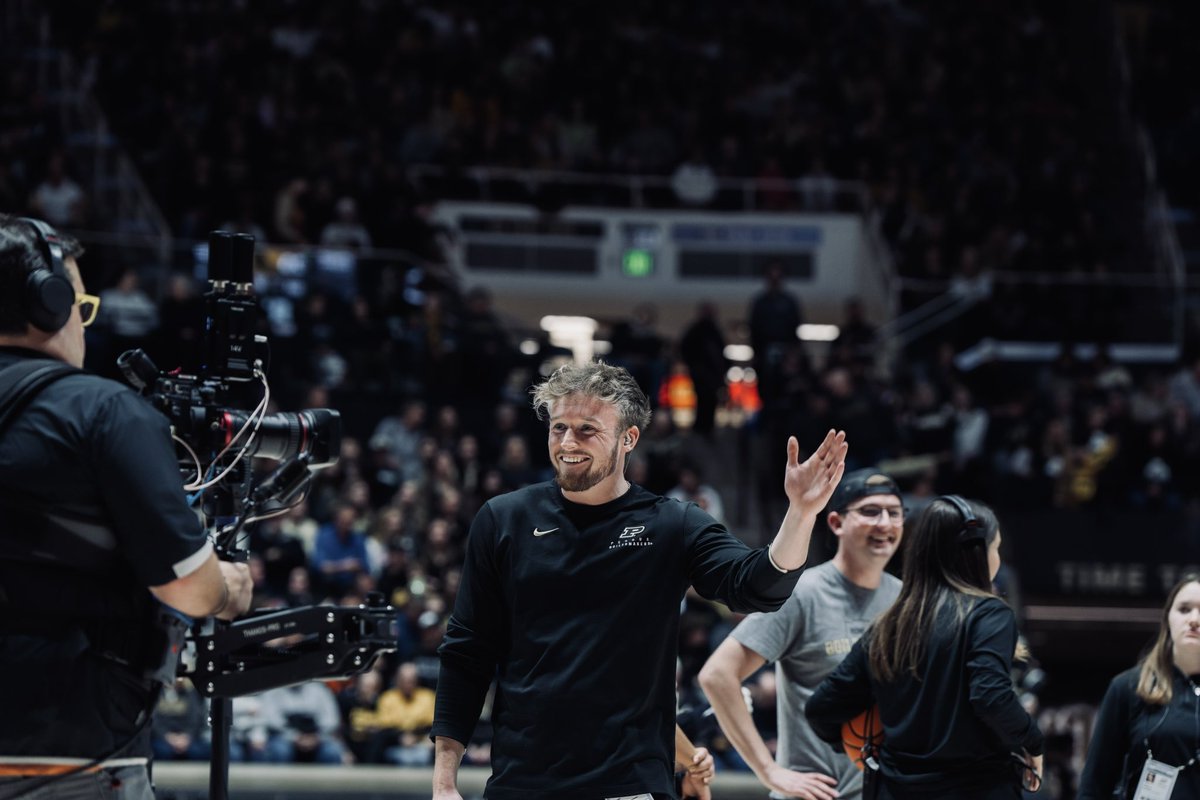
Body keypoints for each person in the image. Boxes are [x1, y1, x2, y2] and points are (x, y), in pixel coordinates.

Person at [431, 360, 848, 800]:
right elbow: (466, 652)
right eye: (559, 428)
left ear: (628, 439)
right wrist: (444, 785)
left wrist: (800, 514)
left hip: (629, 786)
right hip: (522, 781)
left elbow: (758, 588)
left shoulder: (672, 524)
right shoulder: (503, 519)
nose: (568, 442)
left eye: (587, 429)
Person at [0, 214, 253, 798]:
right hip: (68, 754)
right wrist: (230, 588)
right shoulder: (103, 412)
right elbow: (187, 589)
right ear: (50, 302)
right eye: (81, 305)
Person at [805, 496, 1043, 800]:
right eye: (995, 547)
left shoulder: (888, 623)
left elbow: (821, 709)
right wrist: (1033, 741)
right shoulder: (988, 614)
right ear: (977, 552)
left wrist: (853, 745)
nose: (998, 558)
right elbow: (991, 696)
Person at [699, 469, 905, 800]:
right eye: (870, 511)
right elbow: (717, 675)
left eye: (894, 513)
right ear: (837, 523)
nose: (885, 522)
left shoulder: (905, 599)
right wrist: (770, 772)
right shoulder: (804, 593)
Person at [1076, 573, 1200, 799]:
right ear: (1168, 619)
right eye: (1184, 609)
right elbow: (1094, 784)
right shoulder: (1129, 687)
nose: (1194, 619)